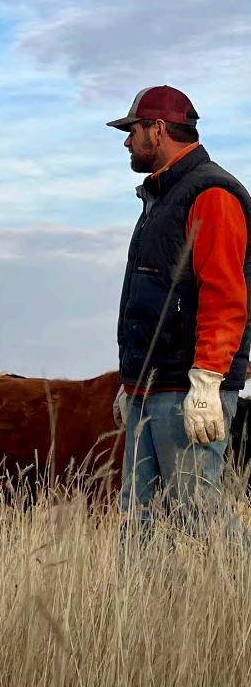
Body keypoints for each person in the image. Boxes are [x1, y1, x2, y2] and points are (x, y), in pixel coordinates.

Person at [108, 85, 251, 537]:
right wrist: (131, 382)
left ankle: (235, 579)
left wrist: (207, 382)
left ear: (158, 129)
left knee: (197, 512)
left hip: (186, 387)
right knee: (139, 519)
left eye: (133, 130)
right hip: (151, 386)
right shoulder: (163, 197)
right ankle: (142, 590)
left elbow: (225, 295)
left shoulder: (211, 193)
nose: (127, 141)